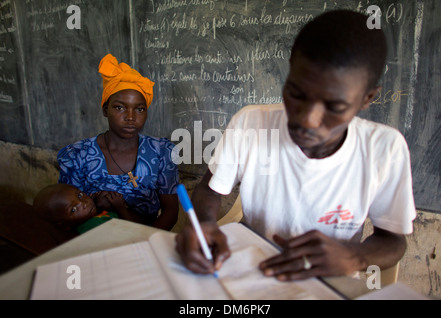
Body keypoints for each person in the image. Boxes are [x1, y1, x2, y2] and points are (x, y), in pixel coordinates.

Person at [175, 10, 416, 281]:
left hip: (327, 282)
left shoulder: (384, 149)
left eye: (335, 107)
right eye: (296, 93)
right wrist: (204, 224)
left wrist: (353, 256)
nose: (307, 120)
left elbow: (393, 240)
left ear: (367, 98)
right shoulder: (250, 123)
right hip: (253, 271)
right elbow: (210, 190)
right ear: (290, 68)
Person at [58, 54, 179, 231]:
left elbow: (171, 212)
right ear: (105, 110)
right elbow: (67, 214)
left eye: (139, 109)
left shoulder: (161, 152)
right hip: (93, 240)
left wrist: (148, 245)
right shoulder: (77, 155)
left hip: (145, 239)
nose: (130, 117)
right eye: (119, 107)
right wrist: (95, 203)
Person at [33, 183, 120, 234]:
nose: (84, 203)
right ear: (64, 226)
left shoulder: (86, 223)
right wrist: (119, 207)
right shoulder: (95, 226)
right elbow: (131, 230)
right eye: (73, 209)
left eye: (80, 195)